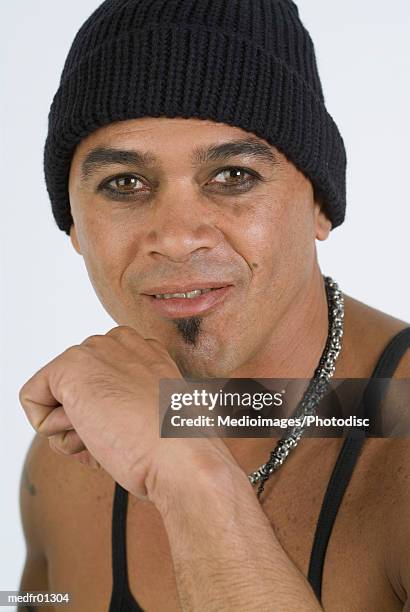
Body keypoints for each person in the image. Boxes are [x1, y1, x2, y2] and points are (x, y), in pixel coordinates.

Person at [18, 1, 410, 610]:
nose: (176, 236)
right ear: (72, 224)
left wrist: (191, 478)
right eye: (124, 183)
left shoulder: (399, 431)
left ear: (321, 206)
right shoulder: (72, 456)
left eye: (233, 176)